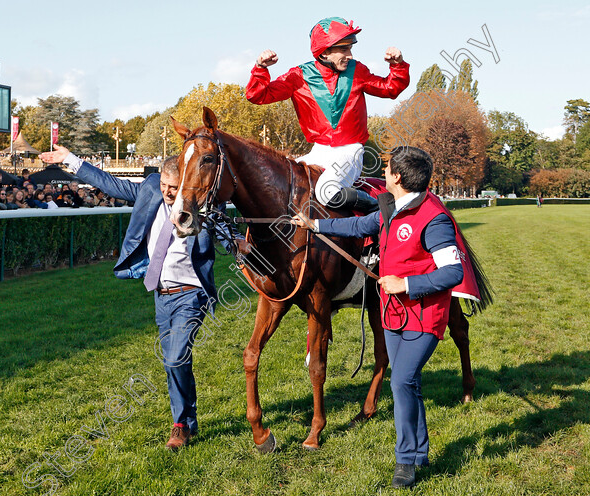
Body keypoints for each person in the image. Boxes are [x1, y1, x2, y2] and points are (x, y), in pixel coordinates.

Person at [292, 147, 481, 488]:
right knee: (409, 384)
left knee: (400, 381)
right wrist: (314, 224)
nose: (384, 171)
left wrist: (406, 283)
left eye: (388, 167)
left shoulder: (434, 218)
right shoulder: (390, 208)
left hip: (425, 316)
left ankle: (406, 460)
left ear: (396, 177)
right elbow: (359, 224)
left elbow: (453, 272)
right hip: (392, 314)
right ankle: (420, 451)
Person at [40, 144, 248, 451]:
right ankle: (188, 422)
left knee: (175, 357)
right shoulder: (151, 188)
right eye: (164, 185)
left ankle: (179, 426)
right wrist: (69, 160)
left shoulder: (201, 204)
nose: (166, 192)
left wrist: (242, 248)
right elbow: (110, 183)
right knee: (176, 362)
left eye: (173, 188)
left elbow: (225, 234)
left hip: (191, 293)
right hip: (160, 294)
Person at [247, 16, 410, 212]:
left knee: (326, 190)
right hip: (319, 150)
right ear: (324, 52)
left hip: (351, 151)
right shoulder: (298, 75)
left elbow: (389, 88)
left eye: (350, 48)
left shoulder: (357, 70)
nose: (350, 55)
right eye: (344, 49)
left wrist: (397, 65)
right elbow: (258, 95)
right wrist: (260, 68)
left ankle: (382, 213)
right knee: (278, 182)